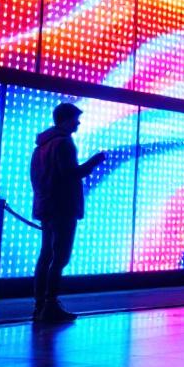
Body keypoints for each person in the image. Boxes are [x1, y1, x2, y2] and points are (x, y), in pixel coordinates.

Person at [30, 103, 106, 323]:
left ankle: (40, 305)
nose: (78, 123)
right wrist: (94, 161)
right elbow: (70, 174)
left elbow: (36, 177)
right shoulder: (64, 143)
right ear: (64, 119)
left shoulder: (42, 145)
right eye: (75, 118)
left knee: (46, 254)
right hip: (63, 207)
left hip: (46, 206)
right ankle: (51, 305)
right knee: (60, 256)